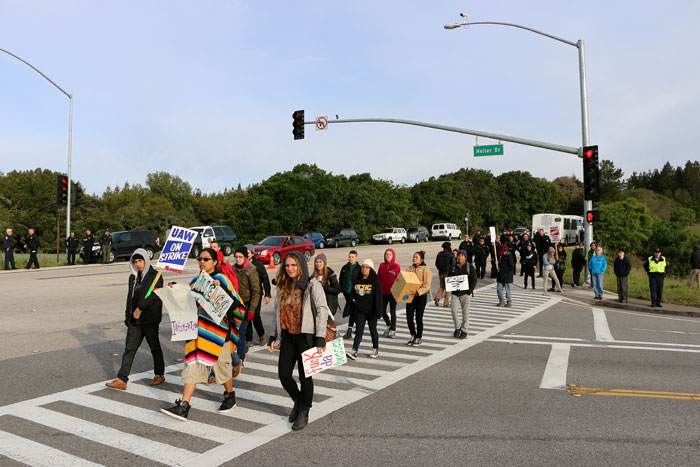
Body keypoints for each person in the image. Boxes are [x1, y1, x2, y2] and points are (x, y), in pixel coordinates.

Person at [161, 248, 241, 421]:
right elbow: (186, 298)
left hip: (217, 334)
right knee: (192, 367)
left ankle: (230, 396)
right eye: (200, 258)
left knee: (222, 369)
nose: (202, 262)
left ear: (215, 262)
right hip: (197, 333)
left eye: (206, 259)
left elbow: (236, 306)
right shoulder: (197, 281)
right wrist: (174, 287)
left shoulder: (221, 279)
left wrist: (222, 292)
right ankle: (184, 406)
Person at [267, 251, 329, 431]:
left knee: (305, 377)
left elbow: (322, 310)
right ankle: (298, 400)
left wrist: (320, 337)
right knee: (284, 375)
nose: (290, 268)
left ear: (301, 265)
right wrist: (273, 335)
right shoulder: (283, 286)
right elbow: (276, 314)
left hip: (306, 337)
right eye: (287, 265)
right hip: (287, 337)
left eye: (293, 265)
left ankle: (304, 410)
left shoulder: (312, 285)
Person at [106, 249, 165, 390]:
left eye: (140, 261)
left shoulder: (156, 275)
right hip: (135, 320)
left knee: (154, 347)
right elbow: (130, 298)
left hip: (150, 318)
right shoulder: (133, 277)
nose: (138, 264)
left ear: (146, 260)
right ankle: (122, 379)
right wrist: (128, 316)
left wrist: (140, 307)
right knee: (129, 348)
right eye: (135, 261)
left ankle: (159, 374)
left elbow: (154, 296)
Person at [346, 259, 382, 360]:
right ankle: (354, 351)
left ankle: (375, 348)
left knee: (373, 330)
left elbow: (378, 296)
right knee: (359, 331)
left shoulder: (375, 280)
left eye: (367, 267)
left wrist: (379, 311)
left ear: (371, 269)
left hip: (371, 311)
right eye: (363, 267)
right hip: (359, 311)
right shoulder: (357, 279)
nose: (364, 269)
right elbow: (352, 294)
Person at [232, 246, 260, 349]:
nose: (238, 259)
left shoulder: (251, 270)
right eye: (236, 257)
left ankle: (241, 355)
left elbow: (256, 291)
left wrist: (252, 309)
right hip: (235, 303)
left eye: (240, 257)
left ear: (245, 258)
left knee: (242, 331)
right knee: (234, 332)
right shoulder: (233, 269)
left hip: (246, 304)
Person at [245, 244, 271, 347]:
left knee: (255, 316)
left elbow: (266, 280)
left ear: (252, 253)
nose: (246, 255)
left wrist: (267, 294)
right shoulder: (241, 265)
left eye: (247, 253)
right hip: (245, 295)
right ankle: (249, 339)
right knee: (247, 316)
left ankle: (261, 334)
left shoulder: (258, 266)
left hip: (256, 294)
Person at [406, 251, 433, 346]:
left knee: (418, 317)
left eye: (416, 257)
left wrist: (417, 292)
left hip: (421, 297)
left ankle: (418, 337)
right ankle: (412, 335)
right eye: (413, 257)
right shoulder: (409, 269)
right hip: (410, 296)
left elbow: (427, 285)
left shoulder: (426, 270)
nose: (414, 258)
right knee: (409, 317)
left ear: (421, 259)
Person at [449, 250, 477, 338]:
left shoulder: (469, 267)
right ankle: (457, 328)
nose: (460, 257)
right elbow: (449, 278)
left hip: (465, 293)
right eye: (458, 255)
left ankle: (464, 330)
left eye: (462, 255)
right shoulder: (453, 266)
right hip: (455, 293)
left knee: (465, 313)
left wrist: (469, 291)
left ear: (465, 257)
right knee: (454, 311)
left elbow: (474, 280)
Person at [377, 248, 401, 338]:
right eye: (386, 254)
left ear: (393, 256)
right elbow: (378, 277)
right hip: (383, 292)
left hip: (393, 293)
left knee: (392, 311)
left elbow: (400, 280)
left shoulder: (396, 266)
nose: (388, 256)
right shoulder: (382, 265)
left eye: (390, 254)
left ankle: (393, 329)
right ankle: (388, 323)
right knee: (381, 311)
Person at [339, 250, 361, 339]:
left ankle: (349, 330)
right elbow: (341, 278)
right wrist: (342, 288)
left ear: (356, 258)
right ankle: (359, 326)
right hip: (347, 293)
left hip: (355, 293)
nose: (351, 258)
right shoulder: (345, 267)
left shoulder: (359, 268)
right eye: (350, 257)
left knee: (352, 310)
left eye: (352, 257)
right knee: (353, 310)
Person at [434, 242, 453, 307]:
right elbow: (453, 264)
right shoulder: (451, 254)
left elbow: (436, 264)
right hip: (448, 273)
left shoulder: (439, 254)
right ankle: (446, 303)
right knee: (448, 288)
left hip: (441, 273)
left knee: (442, 286)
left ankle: (437, 297)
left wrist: (440, 269)